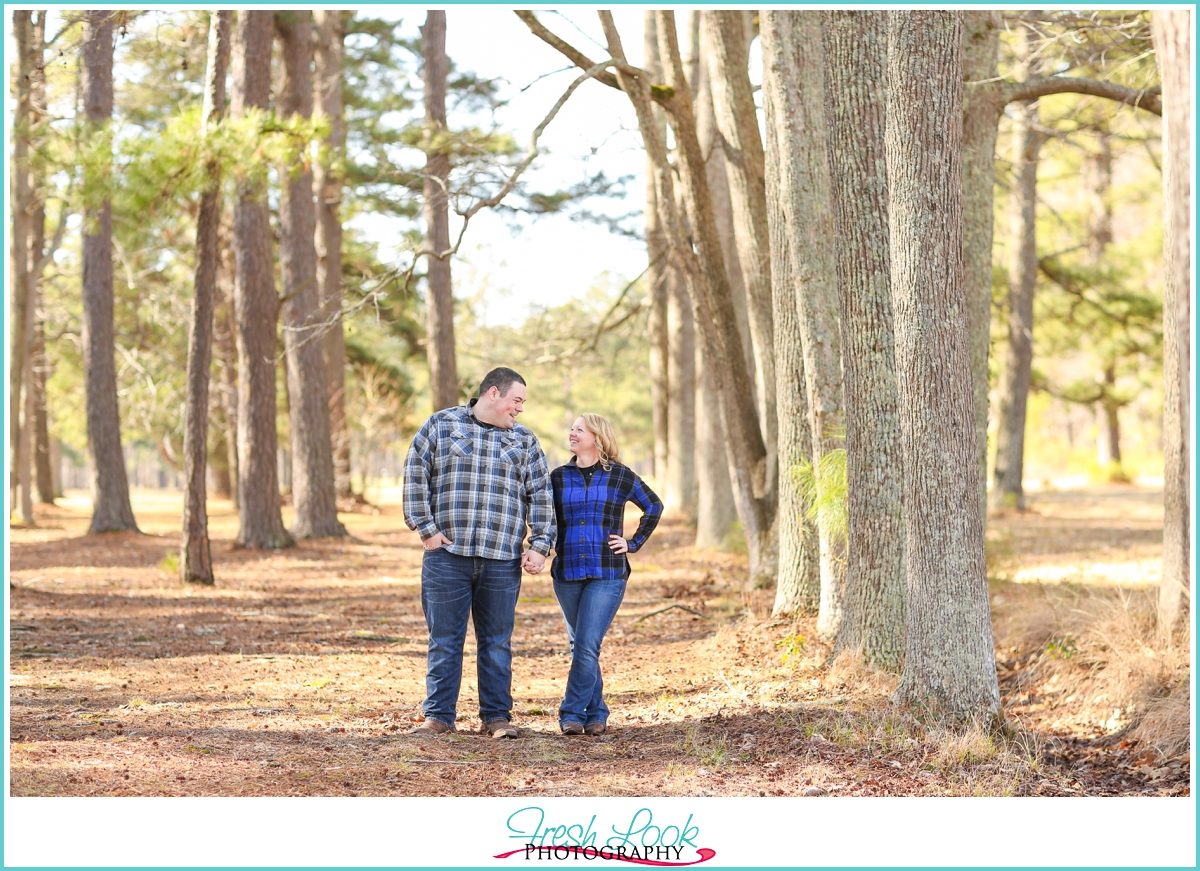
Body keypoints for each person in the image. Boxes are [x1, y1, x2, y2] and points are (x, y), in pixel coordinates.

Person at [402, 367, 555, 738]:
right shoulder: (441, 425)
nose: (519, 408)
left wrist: (539, 545)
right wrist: (427, 530)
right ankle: (438, 717)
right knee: (445, 640)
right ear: (492, 393)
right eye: (516, 400)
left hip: (502, 560)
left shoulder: (525, 441)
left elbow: (541, 496)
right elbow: (414, 476)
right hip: (447, 558)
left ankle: (497, 718)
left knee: (497, 642)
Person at [550, 413, 663, 735]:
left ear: (597, 437)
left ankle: (571, 713)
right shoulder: (557, 477)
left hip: (608, 572)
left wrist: (633, 542)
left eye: (578, 429)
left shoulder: (620, 477)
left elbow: (654, 506)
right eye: (570, 428)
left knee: (586, 644)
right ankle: (597, 712)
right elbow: (543, 516)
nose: (571, 433)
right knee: (580, 645)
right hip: (568, 572)